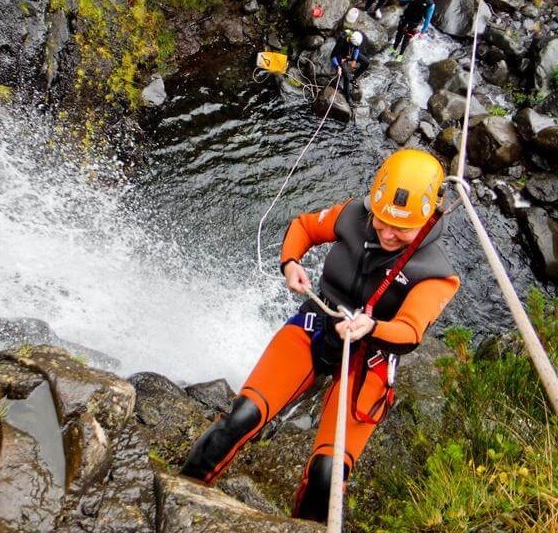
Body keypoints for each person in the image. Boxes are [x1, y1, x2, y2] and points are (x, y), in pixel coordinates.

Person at [181, 149, 461, 522]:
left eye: (402, 229)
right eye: (382, 222)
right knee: (242, 415)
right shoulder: (353, 215)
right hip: (318, 324)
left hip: (370, 355)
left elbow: (409, 330)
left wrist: (372, 327)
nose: (388, 234)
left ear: (428, 218)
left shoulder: (437, 273)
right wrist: (290, 262)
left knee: (328, 473)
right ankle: (180, 494)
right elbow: (304, 227)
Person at [329, 30, 369, 103]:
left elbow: (356, 48)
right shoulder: (341, 42)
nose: (355, 46)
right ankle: (347, 97)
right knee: (347, 76)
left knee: (366, 62)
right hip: (341, 56)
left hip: (350, 53)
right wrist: (338, 66)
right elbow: (333, 56)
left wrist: (354, 59)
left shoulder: (356, 38)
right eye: (353, 45)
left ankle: (354, 78)